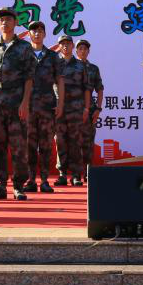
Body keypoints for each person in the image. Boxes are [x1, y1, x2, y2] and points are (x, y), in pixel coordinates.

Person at [0, 7, 35, 201]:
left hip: (17, 101)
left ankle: (18, 186)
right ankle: (0, 184)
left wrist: (25, 102)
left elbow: (29, 77)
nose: (4, 22)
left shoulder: (24, 47)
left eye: (8, 19)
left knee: (18, 146)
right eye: (1, 20)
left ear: (15, 23)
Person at [25, 21, 64, 193]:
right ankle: (30, 180)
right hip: (28, 107)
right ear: (29, 34)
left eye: (40, 31)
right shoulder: (23, 54)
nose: (37, 33)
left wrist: (60, 103)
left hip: (47, 107)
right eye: (34, 31)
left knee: (46, 145)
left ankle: (44, 180)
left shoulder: (53, 56)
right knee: (29, 145)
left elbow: (60, 81)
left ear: (45, 34)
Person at [55, 35, 89, 186]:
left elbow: (87, 89)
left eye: (68, 43)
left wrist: (86, 108)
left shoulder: (80, 66)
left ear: (72, 46)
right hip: (58, 109)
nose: (65, 46)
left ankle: (76, 175)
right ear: (59, 46)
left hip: (76, 108)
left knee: (75, 141)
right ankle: (62, 173)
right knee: (60, 140)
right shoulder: (55, 63)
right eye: (62, 44)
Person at [78, 40, 104, 175]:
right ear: (76, 51)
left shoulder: (93, 69)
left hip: (90, 110)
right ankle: (76, 174)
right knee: (74, 142)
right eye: (80, 48)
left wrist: (98, 109)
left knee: (88, 142)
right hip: (72, 109)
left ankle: (88, 173)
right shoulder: (69, 66)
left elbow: (100, 89)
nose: (83, 51)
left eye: (85, 49)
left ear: (88, 51)